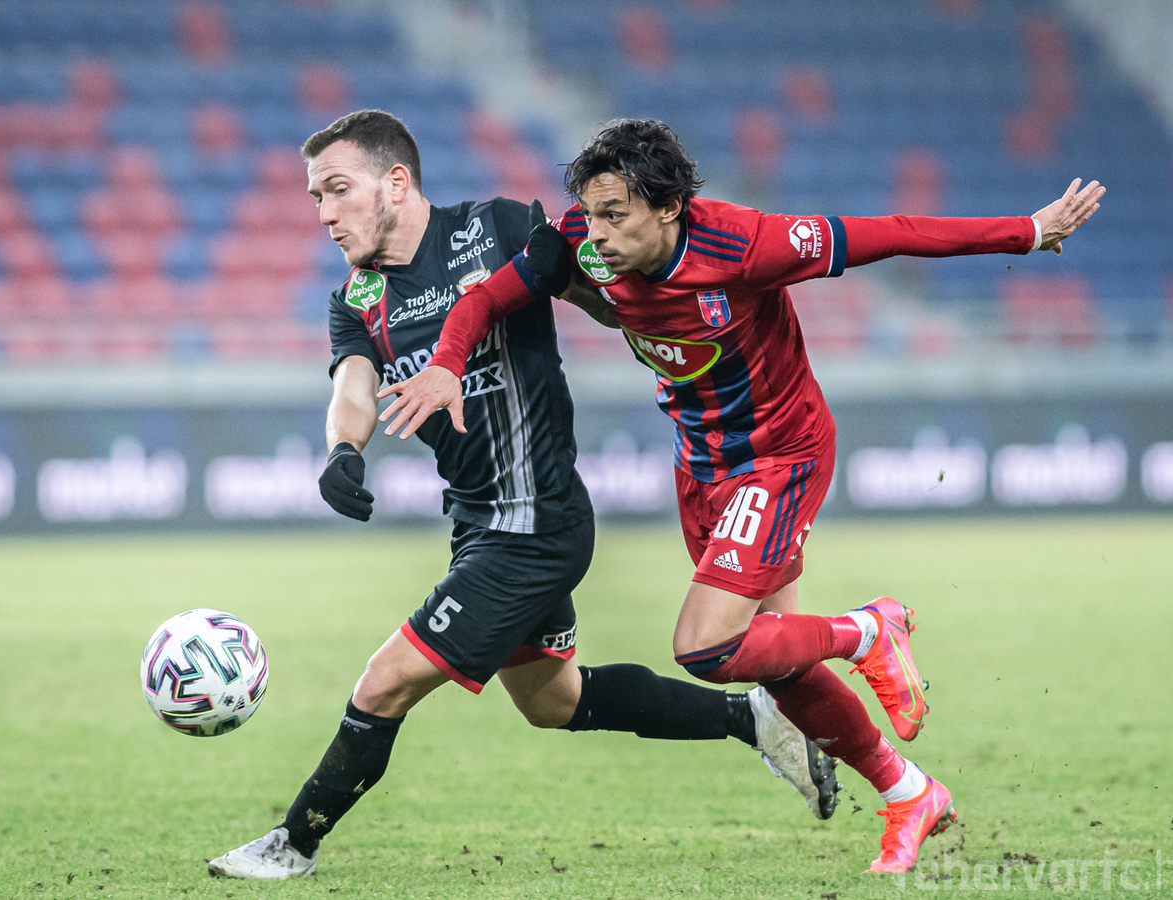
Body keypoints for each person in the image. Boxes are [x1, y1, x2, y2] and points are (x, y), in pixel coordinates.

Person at [378, 118, 1104, 874]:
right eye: (590, 214)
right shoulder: (582, 243)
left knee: (706, 645)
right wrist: (447, 363)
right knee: (778, 663)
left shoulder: (745, 245)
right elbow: (486, 298)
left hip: (780, 457)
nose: (596, 235)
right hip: (702, 467)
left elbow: (891, 233)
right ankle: (909, 792)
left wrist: (1026, 231)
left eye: (614, 215)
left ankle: (867, 630)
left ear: (669, 206)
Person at [207, 110, 839, 881]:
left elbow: (609, 293)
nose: (324, 213)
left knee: (386, 682)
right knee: (552, 701)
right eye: (315, 198)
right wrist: (344, 448)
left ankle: (294, 843)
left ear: (395, 182)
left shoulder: (496, 228)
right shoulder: (357, 299)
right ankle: (755, 718)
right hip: (478, 523)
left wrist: (685, 328)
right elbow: (353, 385)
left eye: (337, 190)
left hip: (537, 524)